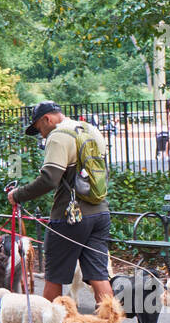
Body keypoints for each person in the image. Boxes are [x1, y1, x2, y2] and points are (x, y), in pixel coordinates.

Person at [6, 102, 113, 304]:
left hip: (70, 217)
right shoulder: (89, 128)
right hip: (100, 212)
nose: (42, 135)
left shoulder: (58, 135)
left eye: (39, 129)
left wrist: (18, 195)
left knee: (54, 274)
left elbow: (49, 179)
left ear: (47, 119)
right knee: (98, 274)